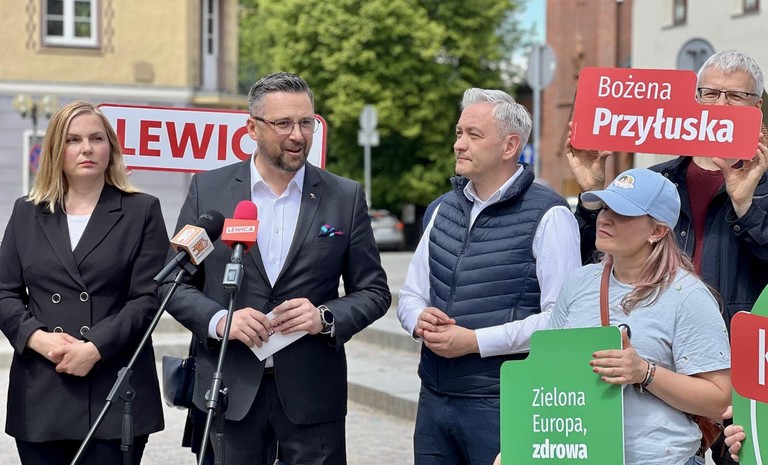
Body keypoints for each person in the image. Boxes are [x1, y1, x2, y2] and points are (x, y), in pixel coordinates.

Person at [161, 72, 391, 465]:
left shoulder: (345, 196)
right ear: (252, 128)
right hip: (229, 391)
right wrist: (220, 320)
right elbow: (172, 283)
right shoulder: (209, 191)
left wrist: (324, 317)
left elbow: (374, 291)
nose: (297, 136)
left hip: (312, 396)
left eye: (306, 123)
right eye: (283, 123)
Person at [568, 49, 768, 464]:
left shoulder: (763, 183)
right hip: (662, 366)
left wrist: (747, 207)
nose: (720, 105)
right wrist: (592, 195)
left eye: (736, 96)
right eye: (710, 93)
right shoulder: (658, 179)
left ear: (757, 108)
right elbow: (601, 261)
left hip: (743, 372)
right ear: (694, 101)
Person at [397, 88, 581, 465]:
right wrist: (418, 319)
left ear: (509, 146)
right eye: (458, 132)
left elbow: (563, 322)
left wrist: (475, 342)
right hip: (434, 397)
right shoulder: (441, 208)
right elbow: (411, 294)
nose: (458, 144)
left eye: (473, 135)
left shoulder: (550, 216)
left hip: (503, 401)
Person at [0, 100, 168, 464]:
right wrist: (37, 338)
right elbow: (4, 293)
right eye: (73, 140)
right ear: (55, 151)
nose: (87, 148)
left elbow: (148, 298)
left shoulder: (142, 210)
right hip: (43, 389)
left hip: (113, 386)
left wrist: (95, 348)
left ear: (111, 147)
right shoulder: (27, 211)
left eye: (96, 138)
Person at [547, 168, 731, 465]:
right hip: (581, 454)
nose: (605, 218)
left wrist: (644, 372)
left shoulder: (688, 295)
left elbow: (720, 399)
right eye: (605, 207)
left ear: (657, 231)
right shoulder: (578, 282)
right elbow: (547, 372)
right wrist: (522, 444)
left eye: (622, 212)